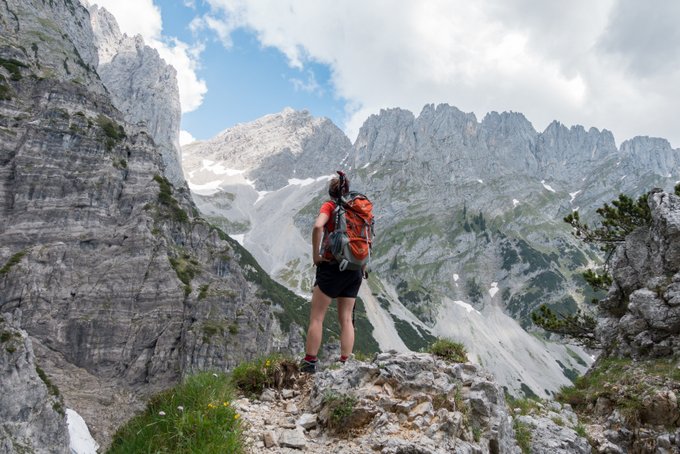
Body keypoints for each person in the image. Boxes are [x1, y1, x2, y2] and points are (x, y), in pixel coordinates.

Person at [300, 172, 364, 374]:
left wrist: (316, 256)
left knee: (317, 317)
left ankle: (310, 362)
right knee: (346, 319)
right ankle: (346, 364)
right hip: (355, 269)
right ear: (348, 191)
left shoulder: (330, 206)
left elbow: (318, 226)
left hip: (332, 266)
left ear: (331, 192)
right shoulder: (358, 210)